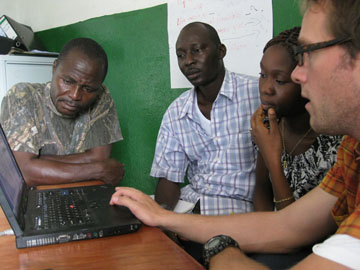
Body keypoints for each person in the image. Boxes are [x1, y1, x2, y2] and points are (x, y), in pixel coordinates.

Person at [110, 1, 360, 269]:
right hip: (205, 216)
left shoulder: (257, 99)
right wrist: (161, 217)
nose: (297, 74)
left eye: (309, 53)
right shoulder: (352, 149)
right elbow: (286, 226)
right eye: (182, 54)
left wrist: (220, 250)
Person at [151, 22, 260, 216]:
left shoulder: (256, 94)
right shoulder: (176, 112)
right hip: (195, 206)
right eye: (181, 55)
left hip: (243, 210)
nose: (188, 61)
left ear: (221, 51)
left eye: (197, 50)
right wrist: (162, 221)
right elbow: (169, 180)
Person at [0, 38, 124, 186]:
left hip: (80, 189)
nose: (75, 95)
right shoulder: (22, 97)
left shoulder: (101, 97)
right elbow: (22, 173)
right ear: (54, 68)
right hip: (31, 195)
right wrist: (97, 170)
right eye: (67, 81)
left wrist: (38, 161)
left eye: (88, 89)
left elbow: (100, 158)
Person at [251, 27, 342, 212]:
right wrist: (266, 232)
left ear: (307, 80)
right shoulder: (269, 124)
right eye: (263, 75)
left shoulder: (334, 142)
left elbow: (297, 226)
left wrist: (272, 159)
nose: (266, 88)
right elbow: (261, 190)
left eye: (280, 81)